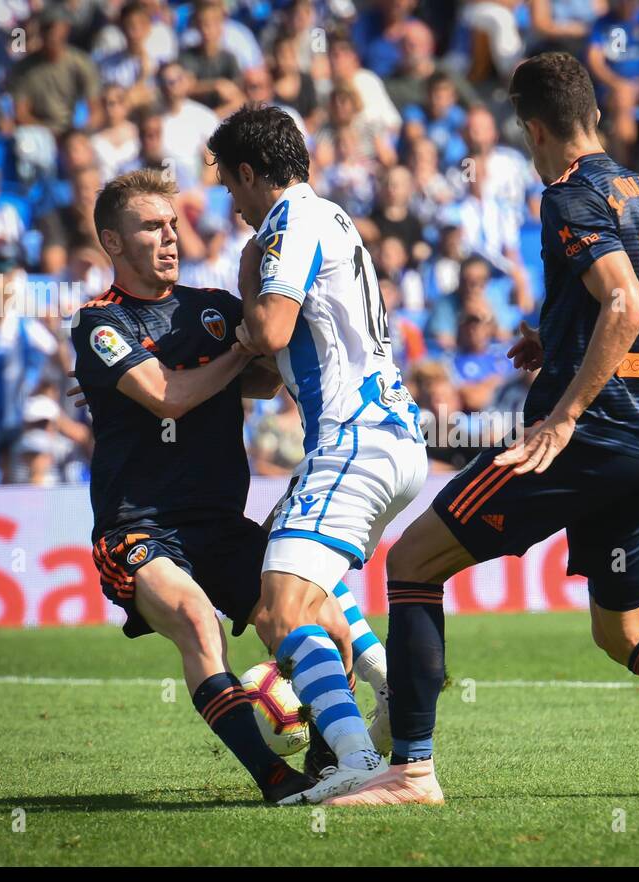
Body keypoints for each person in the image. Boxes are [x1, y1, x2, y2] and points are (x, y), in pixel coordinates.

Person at [327, 53, 639, 807]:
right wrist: (563, 341)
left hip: (587, 437)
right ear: (591, 112)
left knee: (411, 563)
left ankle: (412, 771)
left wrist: (564, 413)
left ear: (534, 127)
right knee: (624, 633)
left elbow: (625, 307)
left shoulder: (567, 195)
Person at [69, 168, 362, 805]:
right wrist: (236, 353)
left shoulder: (212, 308)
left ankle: (326, 758)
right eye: (151, 226)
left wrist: (259, 336)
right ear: (112, 242)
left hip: (221, 523)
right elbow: (167, 398)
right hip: (137, 527)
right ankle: (274, 780)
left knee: (327, 621)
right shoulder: (100, 324)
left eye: (173, 224)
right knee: (200, 623)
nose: (170, 238)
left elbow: (263, 381)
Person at [207, 105, 428, 804]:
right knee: (302, 570)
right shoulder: (333, 218)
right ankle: (388, 679)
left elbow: (269, 328)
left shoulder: (286, 225)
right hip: (389, 436)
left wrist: (246, 274)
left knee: (278, 609)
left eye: (230, 188)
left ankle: (359, 759)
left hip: (353, 439)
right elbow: (275, 369)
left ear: (249, 173)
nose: (233, 206)